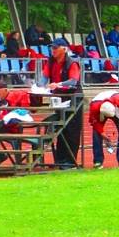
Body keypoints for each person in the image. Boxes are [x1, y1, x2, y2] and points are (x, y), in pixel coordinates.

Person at [42, 38, 83, 169]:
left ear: (64, 49)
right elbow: (44, 78)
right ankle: (60, 160)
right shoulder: (51, 62)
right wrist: (39, 86)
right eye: (52, 48)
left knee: (72, 130)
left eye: (55, 48)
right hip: (59, 100)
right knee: (61, 131)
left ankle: (70, 161)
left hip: (73, 100)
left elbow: (73, 81)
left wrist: (57, 84)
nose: (52, 50)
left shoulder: (72, 63)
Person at [88, 90, 119, 169]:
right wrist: (102, 133)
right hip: (100, 109)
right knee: (96, 133)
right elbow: (95, 122)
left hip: (117, 109)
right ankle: (98, 161)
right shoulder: (94, 107)